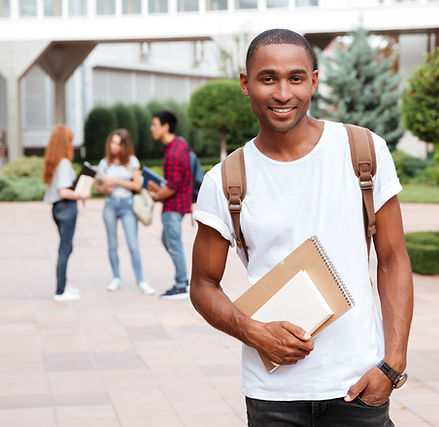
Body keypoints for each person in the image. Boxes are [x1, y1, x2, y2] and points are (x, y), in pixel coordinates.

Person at [190, 29, 413, 426]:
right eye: (267, 78)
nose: (282, 93)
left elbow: (393, 259)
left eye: (295, 78)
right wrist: (252, 331)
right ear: (246, 84)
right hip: (273, 395)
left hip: (359, 384)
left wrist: (392, 365)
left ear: (313, 80)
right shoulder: (226, 180)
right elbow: (203, 285)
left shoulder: (362, 151)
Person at [95, 128, 155, 295]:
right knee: (112, 243)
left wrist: (114, 181)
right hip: (110, 204)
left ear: (125, 146)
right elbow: (98, 186)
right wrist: (104, 188)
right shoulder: (104, 163)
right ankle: (116, 277)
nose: (114, 146)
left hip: (128, 204)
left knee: (133, 244)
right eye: (112, 142)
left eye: (118, 144)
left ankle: (141, 280)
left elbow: (136, 185)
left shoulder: (131, 162)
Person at [43, 125, 91, 302]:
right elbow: (64, 191)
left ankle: (63, 284)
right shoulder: (63, 163)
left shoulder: (53, 162)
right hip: (66, 208)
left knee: (67, 248)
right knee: (65, 249)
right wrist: (82, 194)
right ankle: (61, 290)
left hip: (57, 209)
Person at [149, 110, 192, 299]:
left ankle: (181, 283)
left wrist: (156, 196)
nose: (152, 128)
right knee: (168, 241)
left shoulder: (173, 152)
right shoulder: (180, 143)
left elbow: (172, 187)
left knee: (173, 243)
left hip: (173, 206)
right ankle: (183, 279)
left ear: (165, 127)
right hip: (180, 204)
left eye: (154, 124)